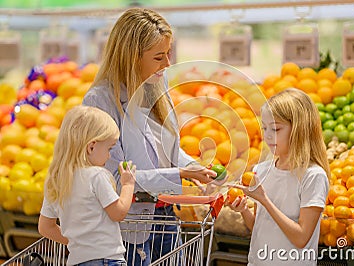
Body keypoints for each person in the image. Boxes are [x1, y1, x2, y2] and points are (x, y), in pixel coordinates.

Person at [82, 7, 216, 265]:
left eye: (168, 54)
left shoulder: (156, 84)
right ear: (131, 58)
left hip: (164, 217)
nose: (167, 64)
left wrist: (190, 165)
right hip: (129, 229)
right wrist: (179, 175)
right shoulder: (100, 101)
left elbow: (165, 149)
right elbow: (115, 180)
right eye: (158, 57)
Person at [226, 88, 330, 265]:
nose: (267, 136)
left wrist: (264, 200)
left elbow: (301, 238)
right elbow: (258, 227)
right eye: (265, 128)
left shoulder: (313, 176)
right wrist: (243, 210)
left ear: (300, 129)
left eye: (275, 129)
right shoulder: (262, 170)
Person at [38, 105, 136, 266]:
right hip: (107, 260)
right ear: (91, 147)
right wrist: (128, 185)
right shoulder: (97, 175)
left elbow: (45, 227)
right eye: (109, 148)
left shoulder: (56, 180)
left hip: (76, 261)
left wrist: (79, 244)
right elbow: (118, 213)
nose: (109, 155)